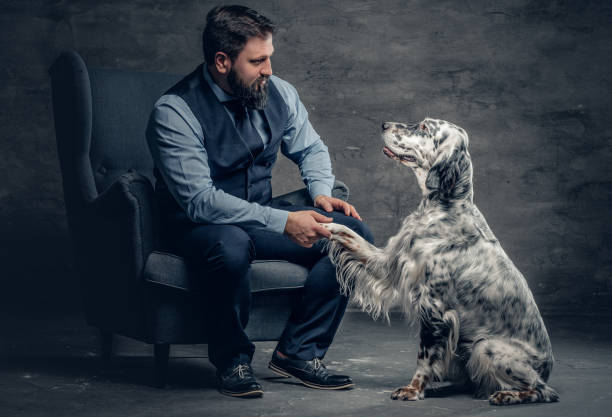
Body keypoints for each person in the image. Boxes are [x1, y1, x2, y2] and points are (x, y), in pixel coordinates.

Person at [146, 4, 373, 398]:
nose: (269, 69)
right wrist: (285, 222)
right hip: (199, 227)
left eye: (269, 57)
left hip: (258, 219)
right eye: (258, 61)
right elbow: (200, 202)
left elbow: (312, 148)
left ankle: (299, 353)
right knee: (230, 245)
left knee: (350, 235)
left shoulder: (279, 91)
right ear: (222, 61)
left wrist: (320, 190)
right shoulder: (174, 111)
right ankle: (233, 360)